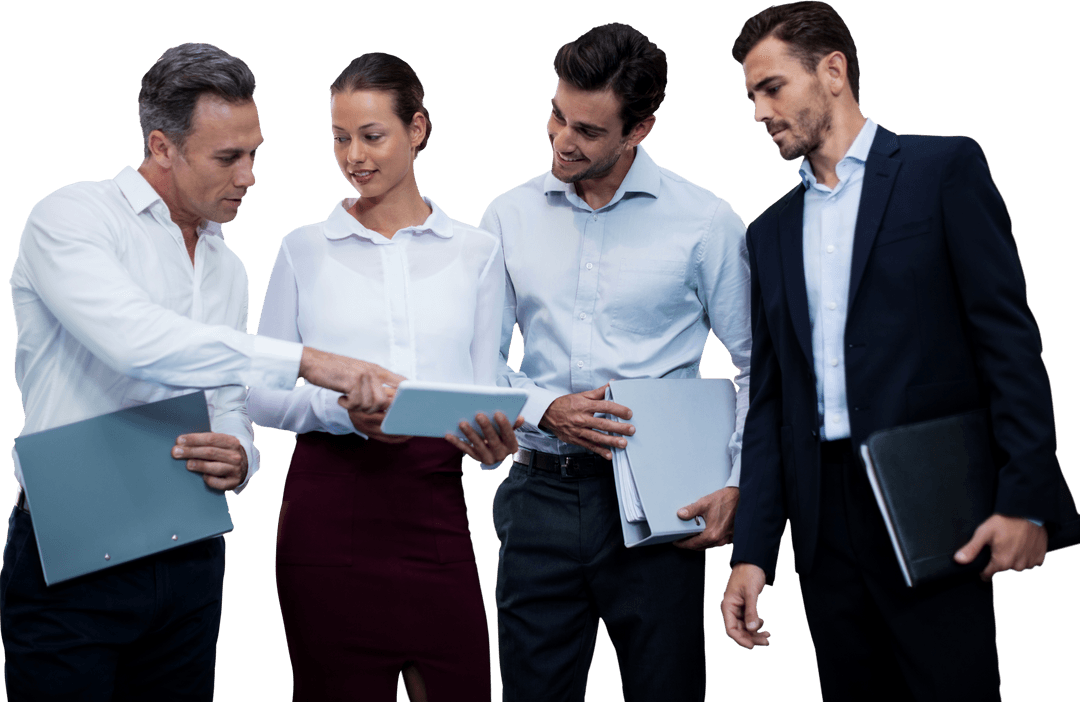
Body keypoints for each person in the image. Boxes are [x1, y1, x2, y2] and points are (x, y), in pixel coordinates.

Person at [1, 42, 400, 701]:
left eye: (254, 154)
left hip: (189, 553)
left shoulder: (226, 266)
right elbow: (137, 342)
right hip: (73, 556)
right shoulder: (71, 219)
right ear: (162, 147)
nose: (249, 176)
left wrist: (241, 455)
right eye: (227, 158)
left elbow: (225, 399)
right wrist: (307, 359)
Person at [721, 3, 1078, 701]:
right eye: (751, 96)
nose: (758, 113)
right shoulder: (767, 232)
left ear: (832, 71)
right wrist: (753, 553)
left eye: (771, 88)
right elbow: (771, 405)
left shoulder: (941, 169)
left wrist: (1025, 499)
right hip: (824, 530)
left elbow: (1008, 343)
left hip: (936, 507)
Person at [480, 23, 752, 702]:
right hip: (536, 496)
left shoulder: (706, 222)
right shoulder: (507, 216)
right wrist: (546, 409)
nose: (562, 140)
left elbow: (757, 366)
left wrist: (739, 482)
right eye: (556, 115)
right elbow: (474, 358)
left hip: (658, 507)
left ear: (641, 130)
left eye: (589, 131)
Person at [247, 52, 520, 702]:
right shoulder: (302, 248)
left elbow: (487, 388)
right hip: (326, 509)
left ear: (417, 128)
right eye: (340, 137)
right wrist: (342, 411)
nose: (353, 155)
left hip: (435, 510)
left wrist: (497, 442)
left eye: (372, 135)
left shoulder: (477, 252)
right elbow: (259, 390)